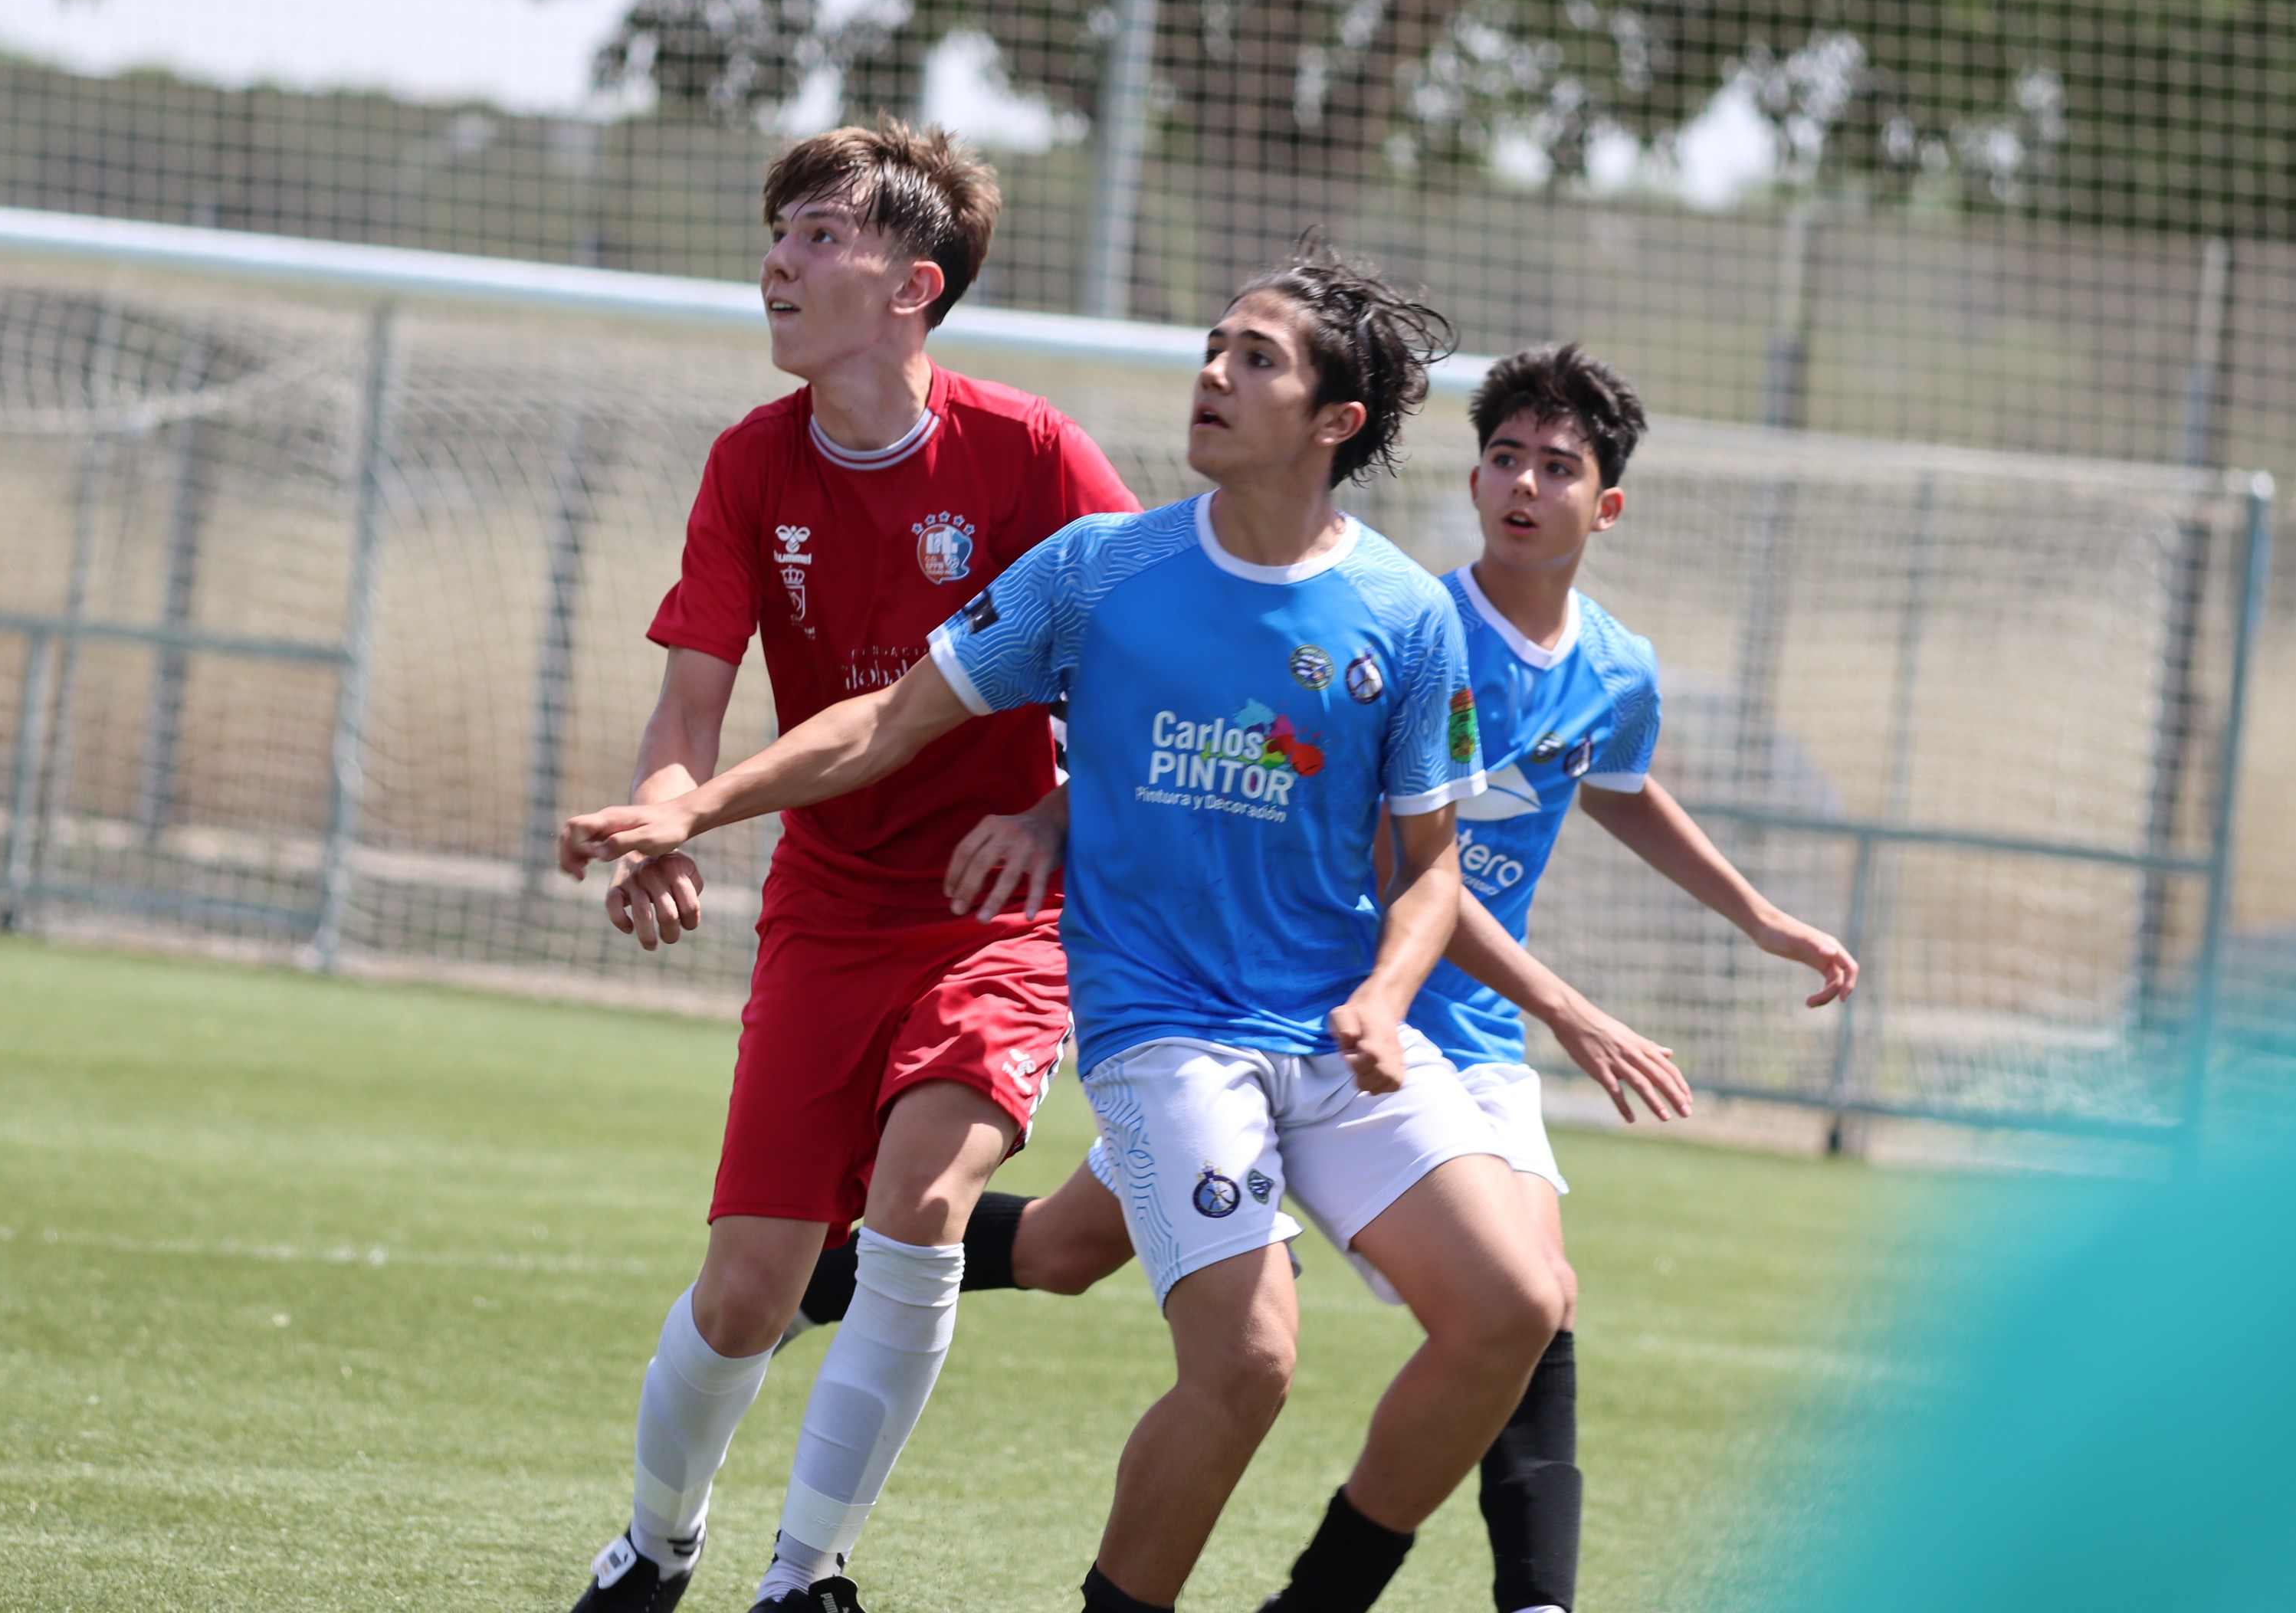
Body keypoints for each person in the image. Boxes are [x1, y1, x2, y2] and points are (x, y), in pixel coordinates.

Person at [563, 242, 1573, 1613]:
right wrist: (695, 806)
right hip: (1168, 1035)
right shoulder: (1100, 572)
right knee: (1250, 1361)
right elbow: (886, 722)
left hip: (1332, 1031)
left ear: (1337, 422)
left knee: (1517, 1305)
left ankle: (1319, 1597)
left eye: (1256, 359)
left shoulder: (1405, 615)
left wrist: (1388, 998)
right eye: (1214, 345)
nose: (1212, 373)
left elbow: (1431, 871)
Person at [784, 341, 1861, 1613]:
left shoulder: (1614, 667)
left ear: (1605, 503)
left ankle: (1469, 1597)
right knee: (1107, 1268)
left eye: (1556, 467)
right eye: (1503, 458)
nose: (1523, 485)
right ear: (1471, 477)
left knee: (1523, 1300)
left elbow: (1612, 784)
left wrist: (1760, 916)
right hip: (1305, 1006)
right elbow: (1349, 832)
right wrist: (1570, 1009)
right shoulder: (1402, 616)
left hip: (1434, 1037)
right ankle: (826, 1274)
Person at [562, 119, 1139, 1613]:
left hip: (1000, 910)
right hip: (824, 906)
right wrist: (662, 815)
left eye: (821, 235)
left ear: (912, 286)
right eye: (779, 233)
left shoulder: (1032, 456)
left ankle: (805, 1575)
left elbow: (1169, 659)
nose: (779, 261)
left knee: (923, 1203)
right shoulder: (750, 463)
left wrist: (1061, 816)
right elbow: (689, 708)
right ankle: (654, 1545)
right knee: (747, 1293)